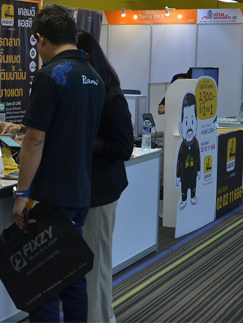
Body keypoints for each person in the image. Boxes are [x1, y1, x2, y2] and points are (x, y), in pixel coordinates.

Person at [0, 6, 105, 323]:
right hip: (79, 192)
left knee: (43, 283)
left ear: (41, 39)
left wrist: (22, 194)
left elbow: (35, 141)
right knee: (72, 278)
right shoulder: (94, 77)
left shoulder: (50, 75)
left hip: (49, 197)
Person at [77, 30, 134, 323]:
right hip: (86, 190)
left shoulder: (111, 96)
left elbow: (124, 148)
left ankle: (100, 318)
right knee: (90, 262)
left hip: (101, 192)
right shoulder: (89, 91)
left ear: (87, 57)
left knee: (97, 263)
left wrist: (87, 141)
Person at [176, 92, 200, 210]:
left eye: (192, 122)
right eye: (186, 122)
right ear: (181, 126)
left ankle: (193, 196)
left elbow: (198, 158)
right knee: (184, 188)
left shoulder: (196, 144)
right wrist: (177, 176)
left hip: (193, 173)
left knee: (193, 186)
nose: (189, 127)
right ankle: (184, 199)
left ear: (196, 123)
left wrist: (199, 170)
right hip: (184, 174)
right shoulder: (182, 146)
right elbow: (179, 161)